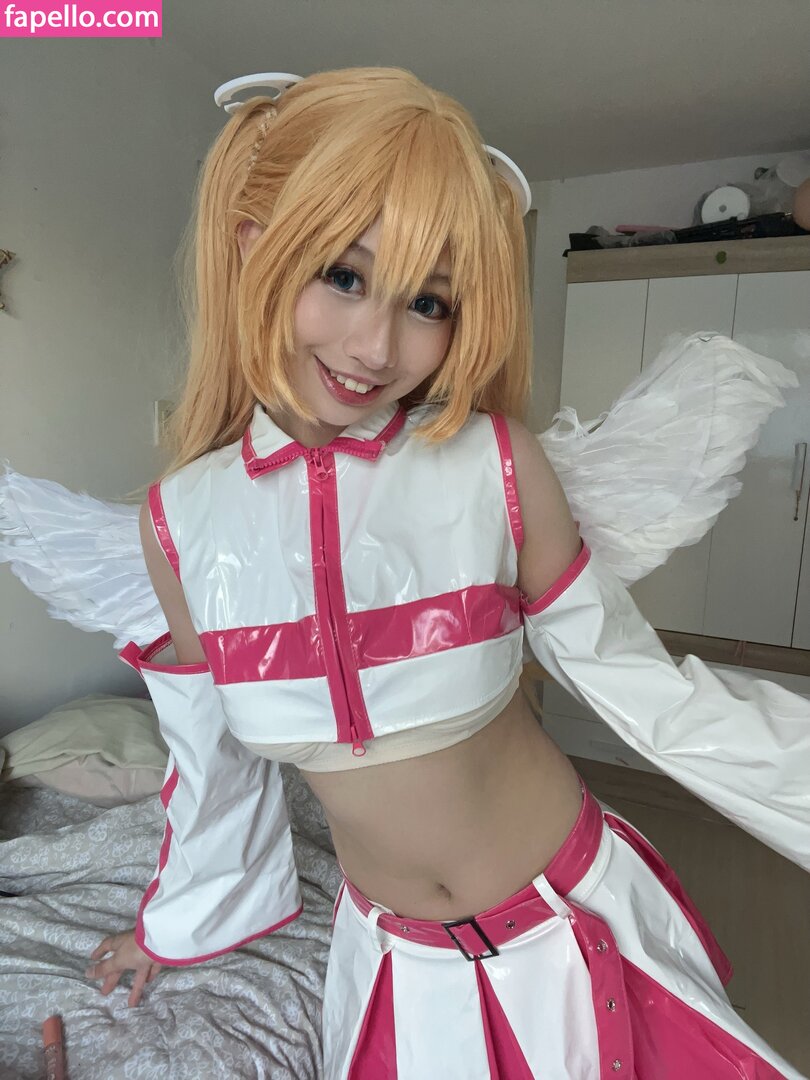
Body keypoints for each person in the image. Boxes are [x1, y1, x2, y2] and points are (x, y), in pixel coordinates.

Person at [57, 67, 804, 1076]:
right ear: (253, 247)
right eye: (344, 275)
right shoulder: (180, 522)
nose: (377, 347)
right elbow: (214, 768)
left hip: (577, 923)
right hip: (395, 969)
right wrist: (170, 929)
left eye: (428, 301)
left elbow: (649, 693)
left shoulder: (496, 463)